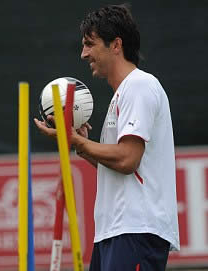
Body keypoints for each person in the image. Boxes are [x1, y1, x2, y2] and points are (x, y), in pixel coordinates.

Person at [34, 4, 179, 271]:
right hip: (114, 230)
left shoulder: (139, 85)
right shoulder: (122, 95)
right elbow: (117, 167)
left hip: (136, 228)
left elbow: (128, 160)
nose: (83, 53)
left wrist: (76, 141)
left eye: (90, 44)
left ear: (116, 45)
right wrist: (83, 147)